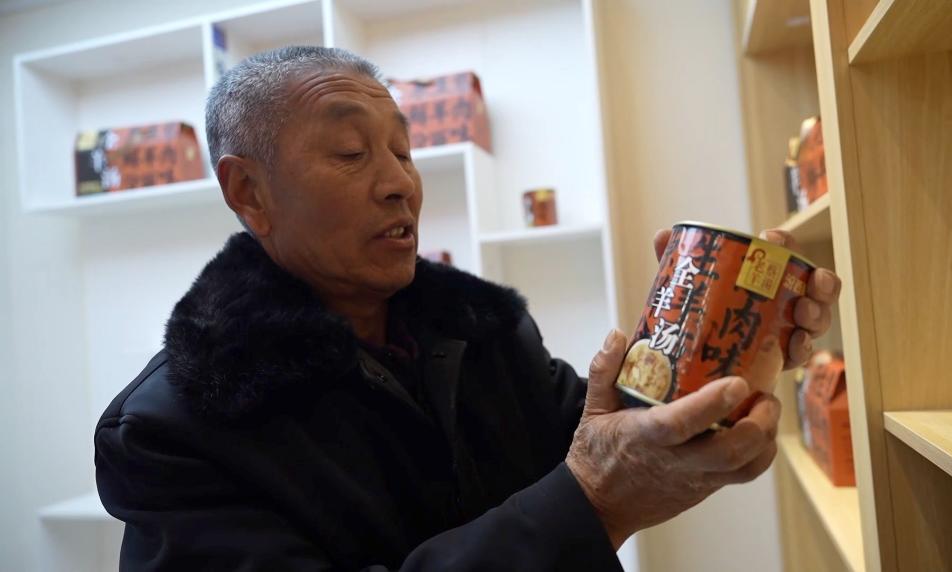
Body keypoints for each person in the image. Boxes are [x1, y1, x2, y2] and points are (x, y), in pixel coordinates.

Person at [95, 46, 840, 571]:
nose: (399, 184)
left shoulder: (482, 330)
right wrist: (594, 502)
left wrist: (720, 347)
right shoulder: (171, 430)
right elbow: (596, 481)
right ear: (248, 192)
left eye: (403, 151)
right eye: (351, 154)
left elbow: (617, 439)